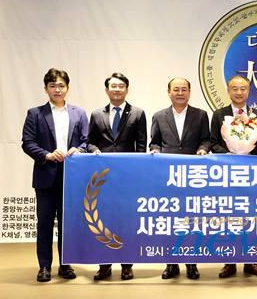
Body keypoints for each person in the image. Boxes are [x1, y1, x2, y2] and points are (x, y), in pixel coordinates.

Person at [21, 68, 88, 282]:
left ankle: (66, 264)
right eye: (52, 86)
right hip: (45, 177)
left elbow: (86, 141)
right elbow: (27, 143)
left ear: (67, 88)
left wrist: (79, 149)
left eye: (61, 85)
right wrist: (47, 155)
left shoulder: (79, 113)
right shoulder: (35, 113)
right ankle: (44, 267)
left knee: (68, 225)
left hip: (72, 178)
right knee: (45, 224)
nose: (57, 89)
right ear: (46, 89)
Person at [149, 77, 211, 280]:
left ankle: (191, 264)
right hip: (169, 178)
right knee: (170, 221)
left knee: (192, 222)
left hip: (193, 177)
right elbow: (154, 142)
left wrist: (203, 149)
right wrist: (155, 151)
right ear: (169, 92)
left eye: (184, 89)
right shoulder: (159, 116)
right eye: (176, 89)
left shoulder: (200, 115)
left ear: (189, 92)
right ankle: (171, 264)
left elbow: (206, 139)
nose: (180, 93)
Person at [87, 72, 147, 281]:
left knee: (126, 221)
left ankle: (127, 265)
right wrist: (95, 150)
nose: (117, 89)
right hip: (102, 178)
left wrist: (136, 173)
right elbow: (89, 141)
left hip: (127, 178)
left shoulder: (138, 113)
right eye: (113, 86)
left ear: (126, 89)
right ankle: (104, 266)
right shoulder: (96, 114)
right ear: (107, 90)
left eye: (121, 86)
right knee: (102, 219)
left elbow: (141, 146)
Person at [209, 75, 257, 278]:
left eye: (243, 88)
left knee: (252, 217)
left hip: (252, 175)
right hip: (227, 174)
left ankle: (251, 260)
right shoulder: (219, 114)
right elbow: (213, 143)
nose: (239, 92)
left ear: (249, 91)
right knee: (229, 217)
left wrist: (248, 153)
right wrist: (231, 154)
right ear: (228, 90)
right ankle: (229, 261)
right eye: (235, 88)